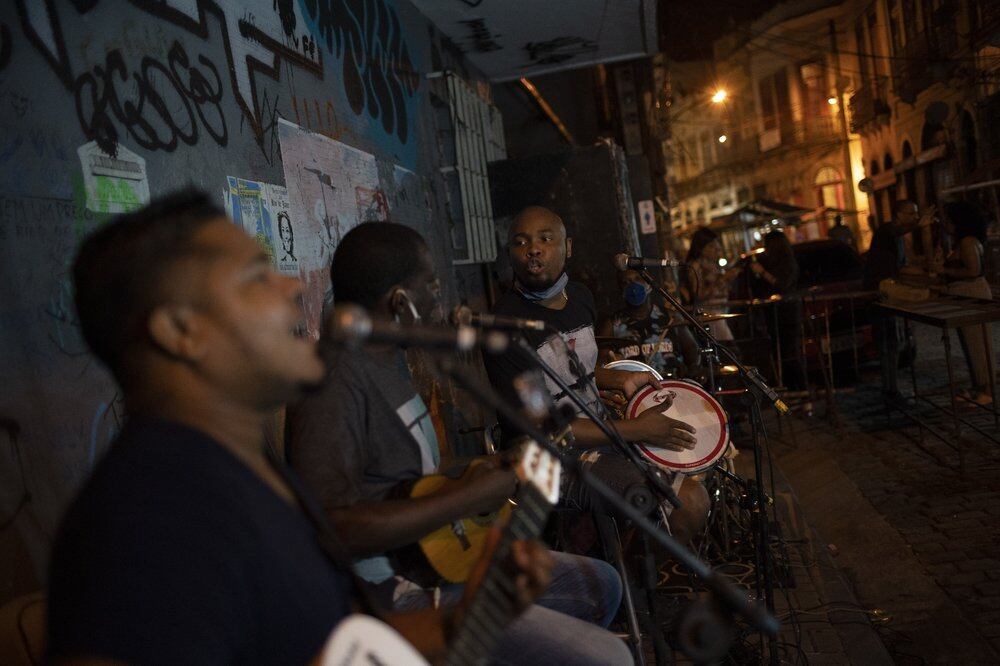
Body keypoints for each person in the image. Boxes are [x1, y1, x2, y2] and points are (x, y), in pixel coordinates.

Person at [47, 192, 551, 665]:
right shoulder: (149, 524)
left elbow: (342, 642)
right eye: (255, 277)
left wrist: (472, 616)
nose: (292, 285)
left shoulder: (250, 472)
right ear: (180, 331)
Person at [285, 222, 633, 666]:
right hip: (393, 594)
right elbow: (334, 528)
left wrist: (481, 471)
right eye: (430, 284)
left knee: (599, 584)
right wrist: (472, 495)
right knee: (610, 657)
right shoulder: (334, 381)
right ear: (400, 302)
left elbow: (404, 476)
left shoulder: (387, 363)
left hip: (433, 559)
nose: (439, 297)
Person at [484, 205, 709, 543]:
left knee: (696, 478)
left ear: (567, 247)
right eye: (521, 242)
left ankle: (630, 566)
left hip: (600, 428)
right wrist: (635, 429)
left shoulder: (580, 298)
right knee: (686, 503)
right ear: (510, 254)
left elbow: (574, 370)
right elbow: (543, 427)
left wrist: (617, 378)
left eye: (545, 239)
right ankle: (624, 581)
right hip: (545, 462)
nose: (533, 248)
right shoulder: (506, 327)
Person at [864, 200, 935, 399]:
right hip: (879, 291)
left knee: (893, 342)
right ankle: (889, 389)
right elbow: (895, 232)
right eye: (911, 213)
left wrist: (925, 272)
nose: (914, 216)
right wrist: (918, 224)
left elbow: (901, 267)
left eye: (915, 213)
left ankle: (891, 387)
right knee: (886, 342)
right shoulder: (886, 230)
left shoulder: (899, 239)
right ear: (898, 214)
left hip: (889, 289)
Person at [937, 200, 994, 406]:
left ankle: (987, 390)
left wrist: (945, 271)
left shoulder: (968, 242)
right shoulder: (960, 241)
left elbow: (973, 271)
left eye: (947, 219)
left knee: (978, 344)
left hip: (973, 294)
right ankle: (978, 387)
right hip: (963, 296)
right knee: (969, 344)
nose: (944, 222)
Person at [750, 230, 807, 393]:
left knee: (790, 353)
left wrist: (762, 272)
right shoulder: (772, 262)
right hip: (774, 314)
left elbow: (782, 284)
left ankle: (801, 389)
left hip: (787, 313)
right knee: (780, 353)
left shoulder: (787, 262)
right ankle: (790, 389)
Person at [685, 227, 741, 341]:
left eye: (717, 245)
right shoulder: (695, 266)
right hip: (710, 315)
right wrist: (723, 279)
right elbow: (699, 295)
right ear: (702, 249)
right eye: (712, 246)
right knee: (729, 348)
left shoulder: (714, 265)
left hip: (722, 311)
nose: (717, 249)